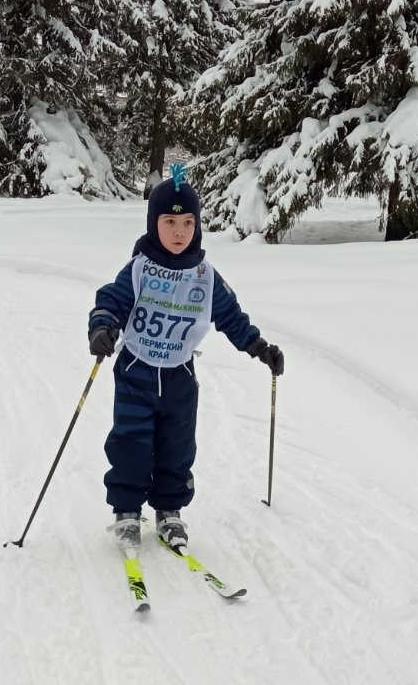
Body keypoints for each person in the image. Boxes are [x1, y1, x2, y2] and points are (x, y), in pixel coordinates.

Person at [88, 165, 284, 552]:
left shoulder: (205, 276)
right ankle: (126, 510)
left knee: (177, 447)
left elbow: (230, 316)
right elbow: (112, 299)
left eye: (188, 222)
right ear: (153, 224)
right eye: (170, 221)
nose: (180, 231)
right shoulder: (140, 269)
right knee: (130, 443)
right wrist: (103, 328)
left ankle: (169, 510)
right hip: (136, 370)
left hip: (180, 376)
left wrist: (259, 347)